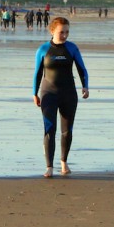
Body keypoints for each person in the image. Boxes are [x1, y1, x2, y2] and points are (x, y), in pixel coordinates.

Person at [32, 17, 89, 178]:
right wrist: (34, 93)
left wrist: (85, 86)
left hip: (68, 93)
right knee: (49, 129)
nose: (64, 35)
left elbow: (82, 69)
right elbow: (37, 73)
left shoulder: (72, 48)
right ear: (52, 31)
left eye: (67, 32)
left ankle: (63, 162)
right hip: (48, 94)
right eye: (61, 32)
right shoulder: (43, 49)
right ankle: (49, 166)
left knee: (67, 131)